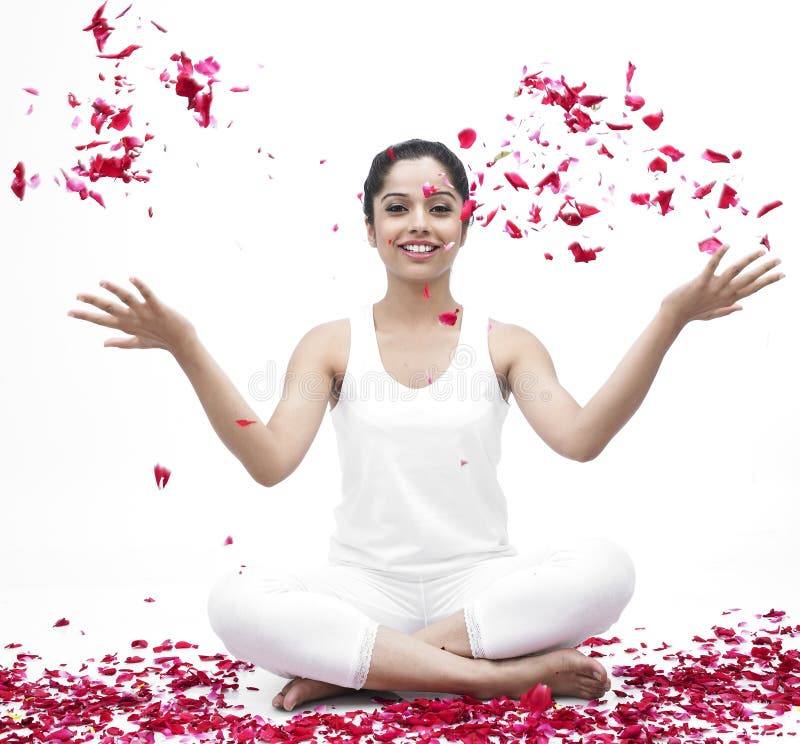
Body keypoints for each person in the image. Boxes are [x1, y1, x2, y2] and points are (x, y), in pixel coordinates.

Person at [68, 138, 784, 714]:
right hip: (362, 584)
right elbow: (270, 459)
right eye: (398, 207)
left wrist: (669, 321)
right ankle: (496, 678)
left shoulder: (506, 344)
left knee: (608, 566)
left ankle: (366, 666)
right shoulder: (331, 343)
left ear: (464, 225)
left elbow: (582, 437)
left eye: (439, 207)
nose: (419, 223)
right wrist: (187, 345)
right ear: (370, 228)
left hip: (479, 583)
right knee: (233, 599)